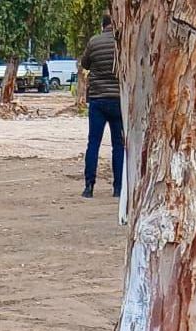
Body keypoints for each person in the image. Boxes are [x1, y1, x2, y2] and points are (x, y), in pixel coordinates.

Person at [80, 14, 124, 199]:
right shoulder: (121, 42)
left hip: (97, 100)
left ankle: (89, 187)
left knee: (94, 144)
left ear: (102, 25)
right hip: (118, 100)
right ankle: (118, 188)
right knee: (118, 146)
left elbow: (85, 64)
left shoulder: (94, 42)